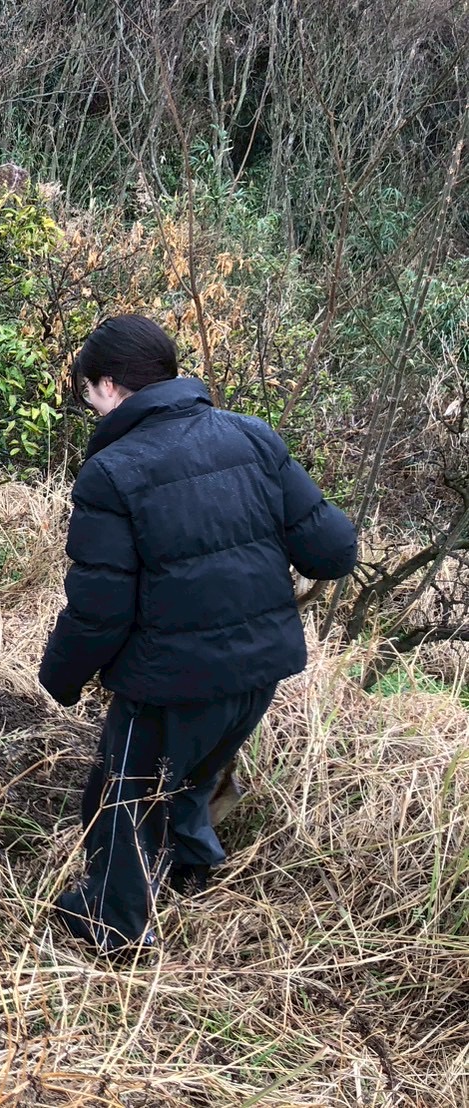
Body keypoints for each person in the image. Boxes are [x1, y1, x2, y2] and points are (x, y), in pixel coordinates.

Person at [39, 315, 357, 956]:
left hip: (168, 681)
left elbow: (102, 610)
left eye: (87, 393)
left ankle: (114, 926)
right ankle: (190, 862)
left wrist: (61, 675)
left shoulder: (112, 471)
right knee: (193, 767)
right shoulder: (252, 436)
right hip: (258, 670)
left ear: (107, 384)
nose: (90, 407)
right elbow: (334, 548)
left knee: (123, 795)